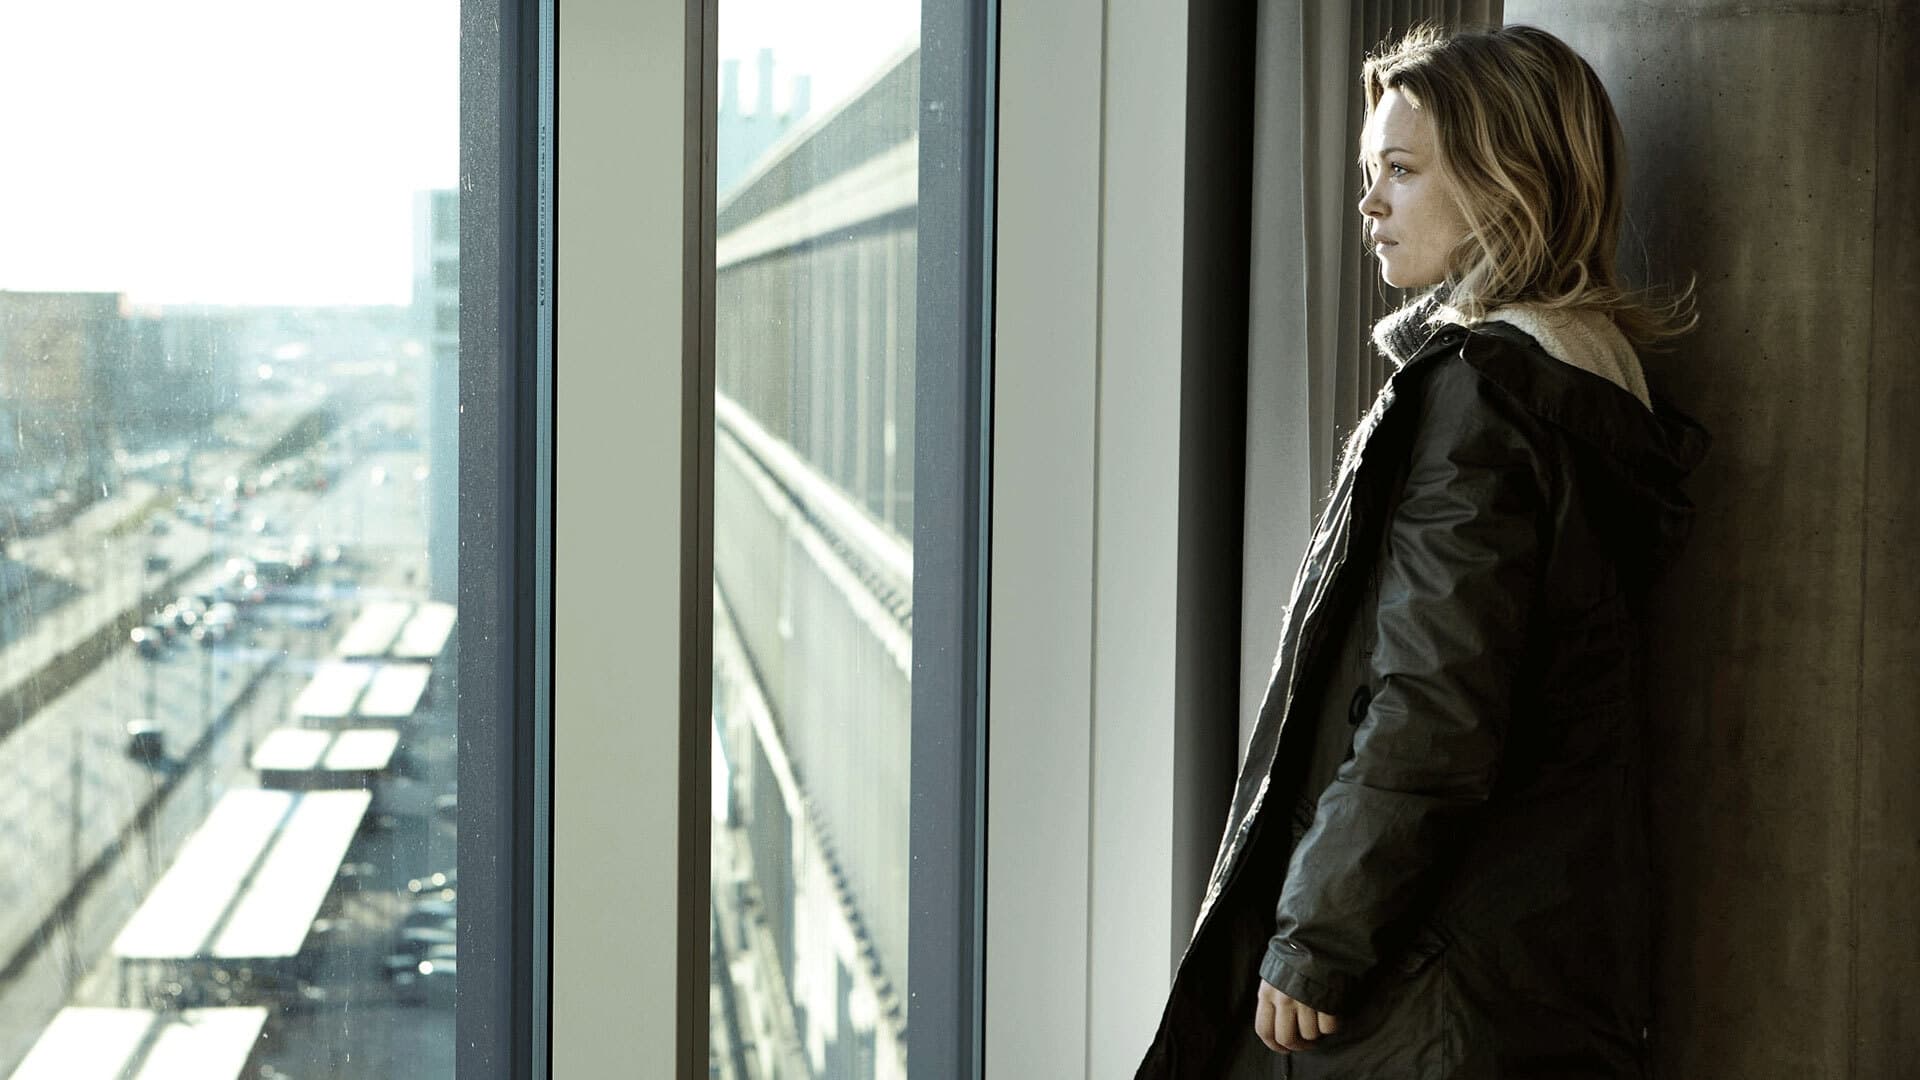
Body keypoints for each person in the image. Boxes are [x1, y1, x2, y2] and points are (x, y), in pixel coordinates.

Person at [1134, 23, 1709, 1079]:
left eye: (1401, 170)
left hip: (1428, 984)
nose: (1370, 204)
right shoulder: (1589, 388)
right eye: (1369, 173)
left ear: (1506, 183)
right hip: (1523, 966)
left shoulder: (1483, 398)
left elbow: (1431, 704)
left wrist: (1316, 936)